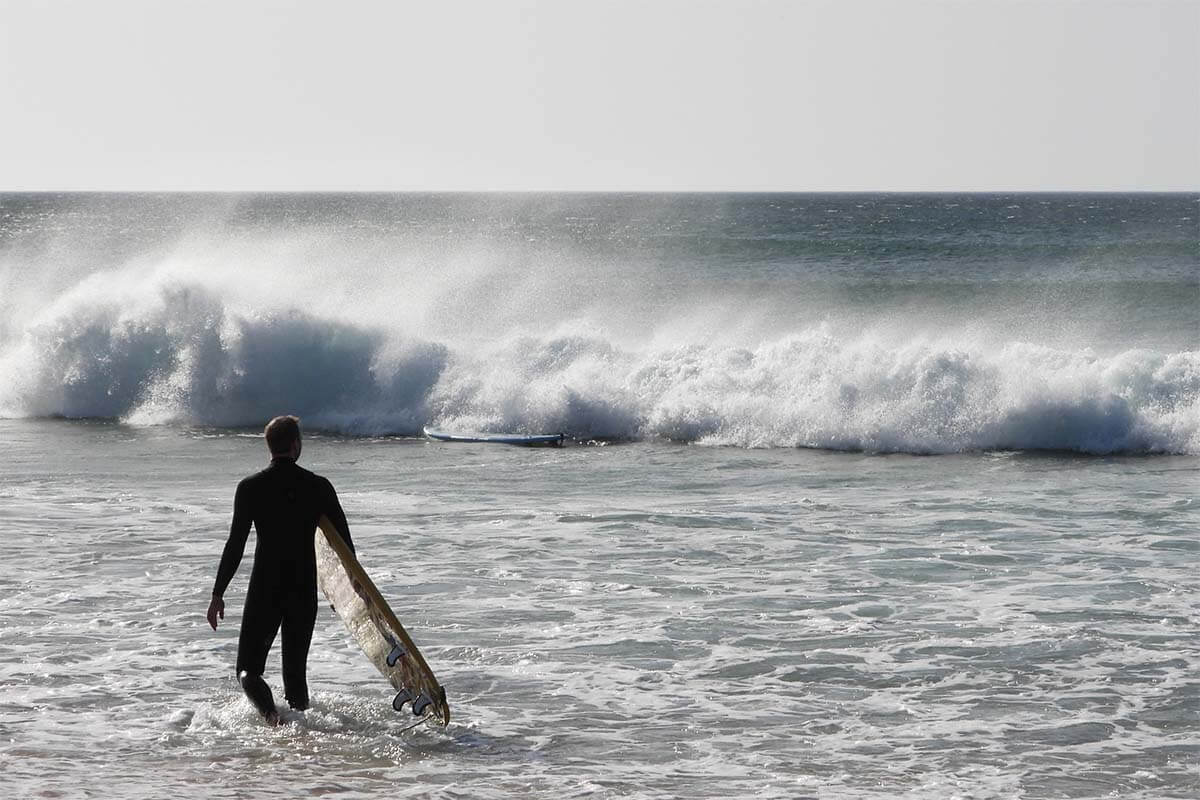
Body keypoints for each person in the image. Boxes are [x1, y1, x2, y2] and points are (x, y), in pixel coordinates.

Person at [206, 415, 354, 725]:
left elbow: (235, 544)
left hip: (266, 588)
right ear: (296, 444)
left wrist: (218, 593)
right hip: (302, 587)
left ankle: (272, 718)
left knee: (248, 670)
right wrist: (344, 593)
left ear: (269, 446)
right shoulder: (319, 486)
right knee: (295, 674)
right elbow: (344, 548)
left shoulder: (250, 488)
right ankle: (301, 738)